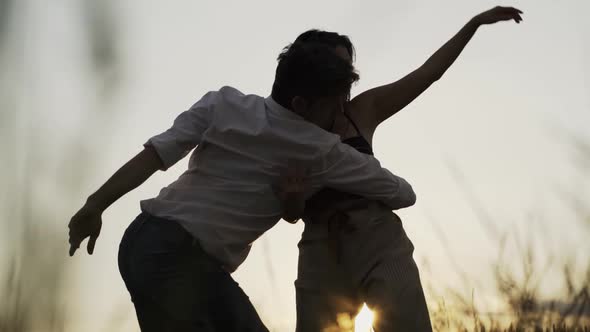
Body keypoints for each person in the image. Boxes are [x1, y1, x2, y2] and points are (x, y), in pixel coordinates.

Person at [67, 42, 418, 331]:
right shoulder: (319, 148)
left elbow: (154, 156)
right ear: (301, 104)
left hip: (141, 243)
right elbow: (401, 192)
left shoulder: (224, 103)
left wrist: (96, 204)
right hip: (181, 259)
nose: (340, 114)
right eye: (334, 106)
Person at [284, 6, 524, 332]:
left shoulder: (363, 110)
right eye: (335, 66)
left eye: (347, 67)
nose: (345, 78)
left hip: (378, 237)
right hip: (319, 245)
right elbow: (290, 211)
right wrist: (293, 199)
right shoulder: (288, 130)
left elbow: (427, 73)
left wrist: (475, 24)